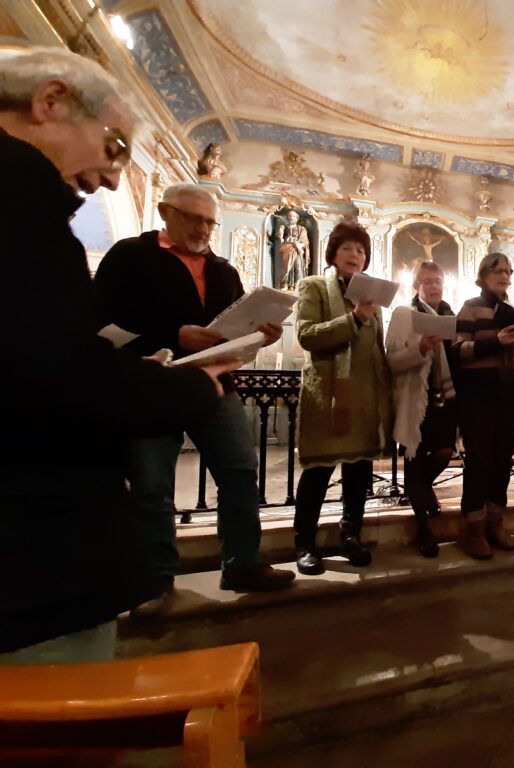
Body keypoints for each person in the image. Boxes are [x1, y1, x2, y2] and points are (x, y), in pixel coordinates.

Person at [0, 48, 231, 656]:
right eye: (115, 147)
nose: (110, 178)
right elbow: (61, 373)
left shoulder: (28, 206)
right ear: (50, 102)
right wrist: (187, 382)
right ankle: (158, 577)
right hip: (32, 561)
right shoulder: (22, 211)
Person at [95, 184, 294, 596]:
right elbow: (101, 322)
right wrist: (173, 335)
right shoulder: (129, 256)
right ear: (165, 211)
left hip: (215, 383)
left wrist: (261, 335)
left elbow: (234, 326)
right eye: (193, 218)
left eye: (209, 222)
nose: (202, 229)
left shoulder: (223, 270)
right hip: (152, 384)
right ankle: (156, 579)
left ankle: (242, 565)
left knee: (240, 473)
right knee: (152, 485)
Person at [292, 222, 395, 574]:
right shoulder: (313, 286)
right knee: (318, 473)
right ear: (333, 254)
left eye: (361, 250)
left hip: (365, 396)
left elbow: (377, 349)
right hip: (329, 395)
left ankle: (351, 535)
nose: (355, 255)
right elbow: (307, 335)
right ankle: (304, 543)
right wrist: (354, 318)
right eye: (347, 248)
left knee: (358, 473)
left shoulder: (372, 298)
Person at [453, 253, 514, 560]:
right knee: (480, 459)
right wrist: (496, 341)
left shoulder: (513, 312)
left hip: (509, 392)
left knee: (503, 460)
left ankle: (495, 522)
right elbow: (458, 350)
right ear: (483, 275)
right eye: (498, 271)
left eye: (508, 271)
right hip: (478, 394)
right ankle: (474, 528)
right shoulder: (470, 307)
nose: (505, 276)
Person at [385, 260, 457, 558]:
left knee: (445, 452)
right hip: (416, 401)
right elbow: (392, 362)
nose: (434, 285)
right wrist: (421, 348)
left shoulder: (450, 316)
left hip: (446, 401)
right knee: (414, 460)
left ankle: (421, 489)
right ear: (417, 286)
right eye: (427, 281)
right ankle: (424, 529)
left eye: (437, 280)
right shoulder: (404, 315)